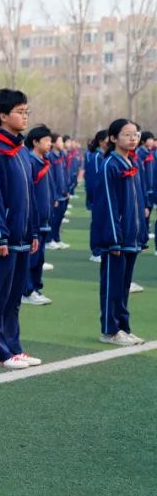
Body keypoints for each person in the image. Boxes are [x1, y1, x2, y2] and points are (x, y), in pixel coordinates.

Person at [0, 89, 41, 370]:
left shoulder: (22, 151)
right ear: (3, 116)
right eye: (20, 112)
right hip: (3, 238)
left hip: (22, 236)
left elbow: (29, 194)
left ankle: (14, 347)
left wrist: (33, 231)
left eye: (27, 111)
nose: (25, 116)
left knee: (14, 298)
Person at [93, 119, 148, 346]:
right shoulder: (110, 165)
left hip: (131, 237)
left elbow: (138, 202)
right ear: (113, 138)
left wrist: (141, 235)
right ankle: (110, 330)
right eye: (127, 134)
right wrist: (113, 239)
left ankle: (123, 327)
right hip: (116, 239)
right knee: (112, 286)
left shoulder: (132, 162)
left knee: (124, 286)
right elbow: (108, 205)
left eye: (135, 134)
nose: (133, 138)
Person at [22, 125, 55, 306]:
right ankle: (26, 291)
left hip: (44, 220)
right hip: (33, 220)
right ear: (35, 142)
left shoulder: (43, 161)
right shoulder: (30, 162)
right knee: (31, 257)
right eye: (47, 141)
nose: (50, 144)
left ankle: (35, 288)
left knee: (39, 258)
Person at [85, 130, 109, 263]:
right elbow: (94, 180)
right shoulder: (96, 157)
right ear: (100, 141)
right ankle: (96, 252)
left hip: (104, 197)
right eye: (107, 140)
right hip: (98, 198)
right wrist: (94, 198)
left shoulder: (104, 156)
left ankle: (101, 249)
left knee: (103, 224)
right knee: (97, 224)